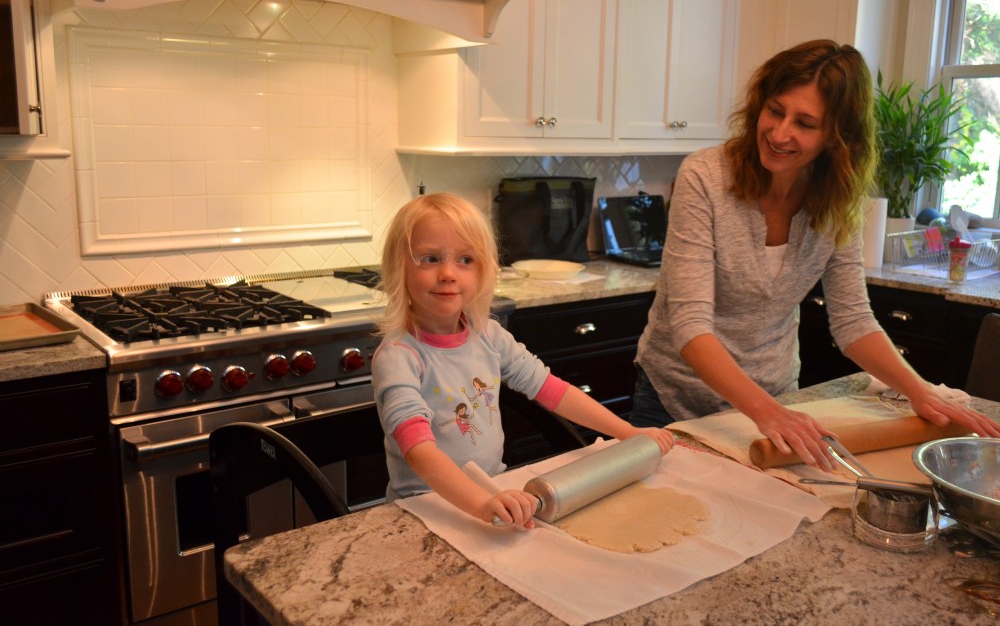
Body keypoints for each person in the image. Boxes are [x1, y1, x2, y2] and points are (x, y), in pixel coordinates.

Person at [630, 39, 1000, 471]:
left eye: (805, 123)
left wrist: (921, 392)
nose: (780, 132)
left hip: (777, 398)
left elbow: (853, 321)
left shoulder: (837, 200)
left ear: (838, 137)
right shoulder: (705, 177)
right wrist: (765, 410)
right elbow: (690, 327)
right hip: (674, 398)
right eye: (774, 110)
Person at [372, 192, 674, 528]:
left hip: (492, 492)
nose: (447, 273)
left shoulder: (489, 335)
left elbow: (552, 390)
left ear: (484, 269)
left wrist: (627, 432)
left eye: (465, 259)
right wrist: (482, 504)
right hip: (423, 511)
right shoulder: (400, 356)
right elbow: (419, 452)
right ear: (399, 267)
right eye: (429, 259)